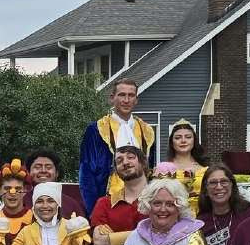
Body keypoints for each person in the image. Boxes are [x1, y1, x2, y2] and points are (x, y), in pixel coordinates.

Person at [80, 77, 155, 214]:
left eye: (131, 95)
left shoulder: (147, 131)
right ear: (112, 98)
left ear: (136, 100)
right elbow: (86, 174)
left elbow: (150, 169)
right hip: (108, 204)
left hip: (143, 203)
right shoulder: (96, 130)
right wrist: (93, 211)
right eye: (122, 95)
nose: (126, 100)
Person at [89, 146, 148, 245]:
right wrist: (146, 236)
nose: (125, 163)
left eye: (130, 157)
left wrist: (114, 240)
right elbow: (99, 242)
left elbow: (164, 236)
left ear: (143, 162)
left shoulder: (160, 199)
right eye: (119, 160)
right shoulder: (105, 203)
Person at [198, 164, 248, 245]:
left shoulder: (249, 214)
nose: (219, 187)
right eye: (213, 182)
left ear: (232, 185)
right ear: (205, 189)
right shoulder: (200, 223)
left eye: (224, 181)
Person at [22, 150, 86, 218]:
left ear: (57, 173)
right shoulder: (21, 201)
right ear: (28, 172)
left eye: (48, 167)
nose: (43, 170)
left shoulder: (71, 204)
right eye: (37, 167)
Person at [162, 120, 207, 209]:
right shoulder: (163, 169)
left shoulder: (205, 170)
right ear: (172, 142)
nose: (183, 141)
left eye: (188, 137)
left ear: (194, 140)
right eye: (178, 138)